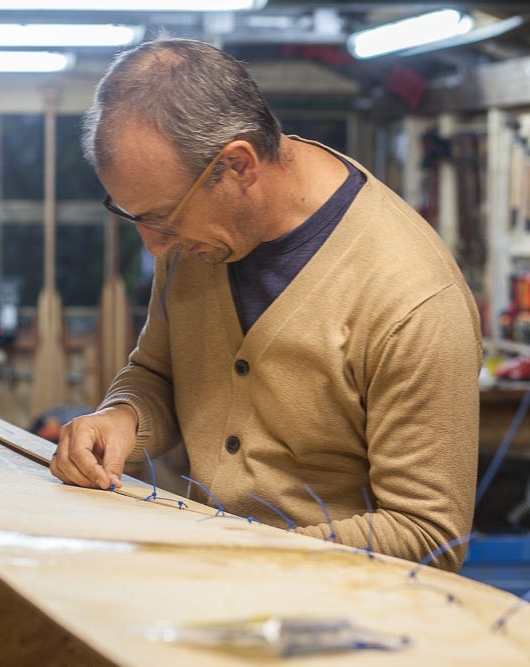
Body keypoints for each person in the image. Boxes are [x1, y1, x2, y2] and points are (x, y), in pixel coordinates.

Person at [50, 36, 481, 572]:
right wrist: (122, 416)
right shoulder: (199, 232)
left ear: (238, 165)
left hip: (349, 618)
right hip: (216, 577)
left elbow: (427, 534)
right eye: (133, 216)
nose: (154, 246)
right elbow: (160, 371)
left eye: (161, 216)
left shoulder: (411, 299)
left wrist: (246, 553)